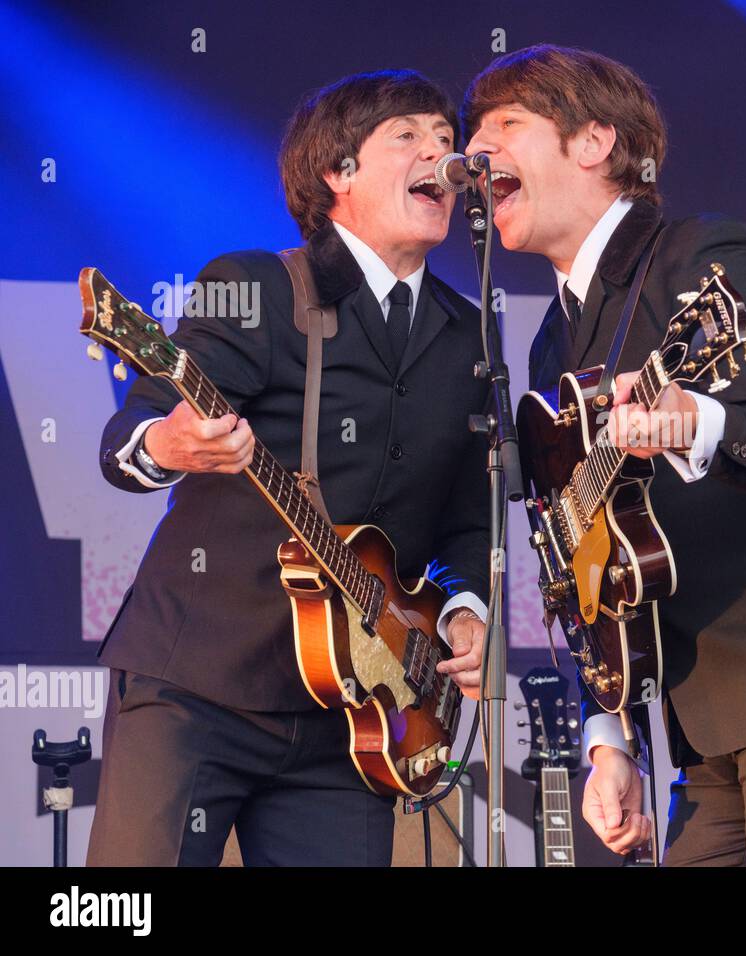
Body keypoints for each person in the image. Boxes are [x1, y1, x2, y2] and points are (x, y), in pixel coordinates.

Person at [462, 45, 746, 866]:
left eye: (506, 124)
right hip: (704, 715)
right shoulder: (550, 349)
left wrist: (691, 421)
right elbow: (580, 573)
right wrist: (610, 739)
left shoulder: (702, 254)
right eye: (474, 131)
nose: (477, 151)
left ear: (594, 142)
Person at [87, 70, 490, 866]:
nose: (440, 153)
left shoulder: (470, 335)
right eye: (407, 136)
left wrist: (462, 610)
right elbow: (131, 433)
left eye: (447, 139)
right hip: (199, 681)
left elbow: (470, 513)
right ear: (338, 174)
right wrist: (169, 446)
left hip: (354, 716)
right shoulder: (258, 286)